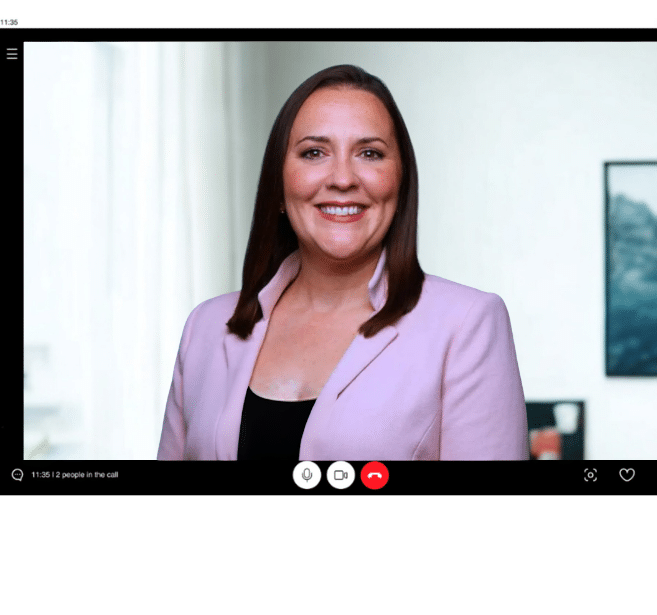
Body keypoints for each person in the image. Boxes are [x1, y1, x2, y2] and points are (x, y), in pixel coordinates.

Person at [158, 64, 528, 461]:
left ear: (400, 183)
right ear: (279, 186)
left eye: (369, 153)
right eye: (314, 152)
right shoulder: (206, 327)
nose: (343, 179)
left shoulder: (467, 324)